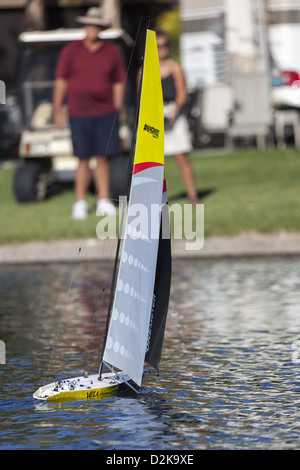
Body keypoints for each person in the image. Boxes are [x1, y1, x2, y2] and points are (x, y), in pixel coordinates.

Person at [53, 7, 126, 219]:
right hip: (78, 113)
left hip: (105, 112)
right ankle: (80, 202)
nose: (92, 28)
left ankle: (103, 199)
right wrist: (57, 110)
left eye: (96, 25)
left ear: (101, 28)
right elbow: (61, 81)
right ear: (84, 27)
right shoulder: (71, 51)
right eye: (89, 24)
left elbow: (118, 82)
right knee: (82, 157)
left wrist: (117, 109)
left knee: (103, 158)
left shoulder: (111, 51)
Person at [156, 30, 198, 205]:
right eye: (158, 46)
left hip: (173, 111)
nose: (162, 49)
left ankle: (193, 196)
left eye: (165, 45)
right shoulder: (145, 70)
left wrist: (175, 111)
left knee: (181, 157)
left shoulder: (175, 67)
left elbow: (182, 93)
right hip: (156, 115)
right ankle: (155, 197)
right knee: (156, 162)